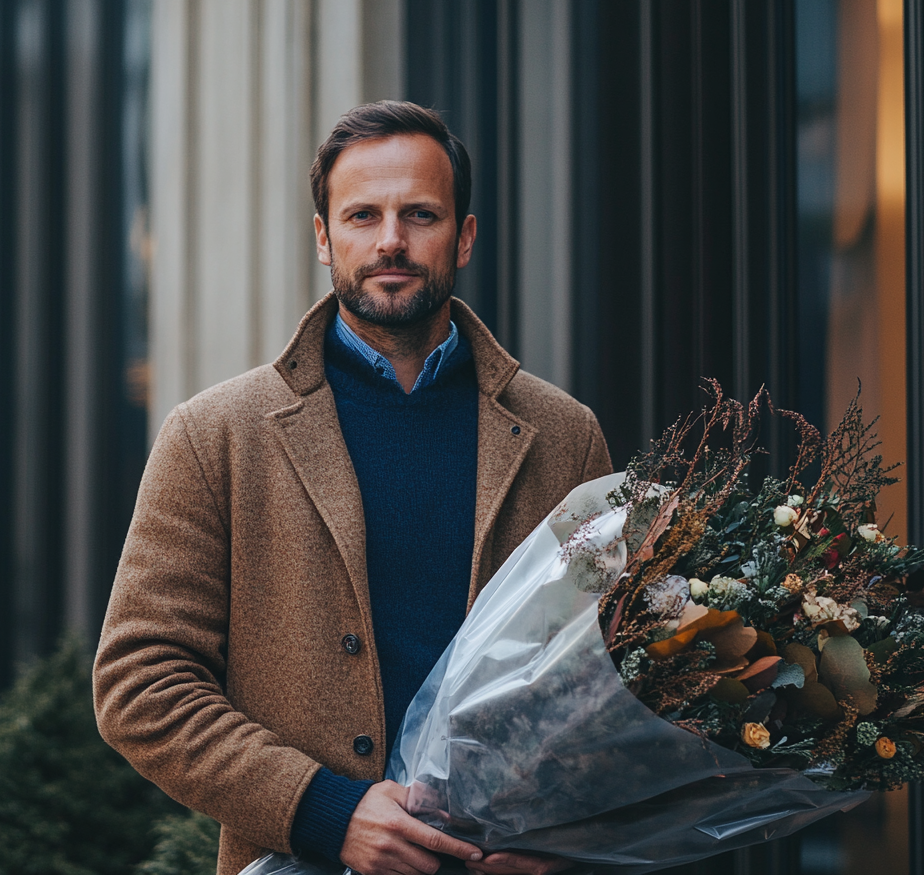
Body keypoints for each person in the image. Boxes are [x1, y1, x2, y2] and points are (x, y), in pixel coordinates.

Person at [94, 101, 611, 875]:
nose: (391, 240)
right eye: (363, 215)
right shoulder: (215, 436)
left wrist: (563, 838)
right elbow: (140, 682)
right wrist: (325, 812)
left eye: (421, 214)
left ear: (464, 237)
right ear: (324, 238)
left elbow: (607, 676)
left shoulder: (564, 436)